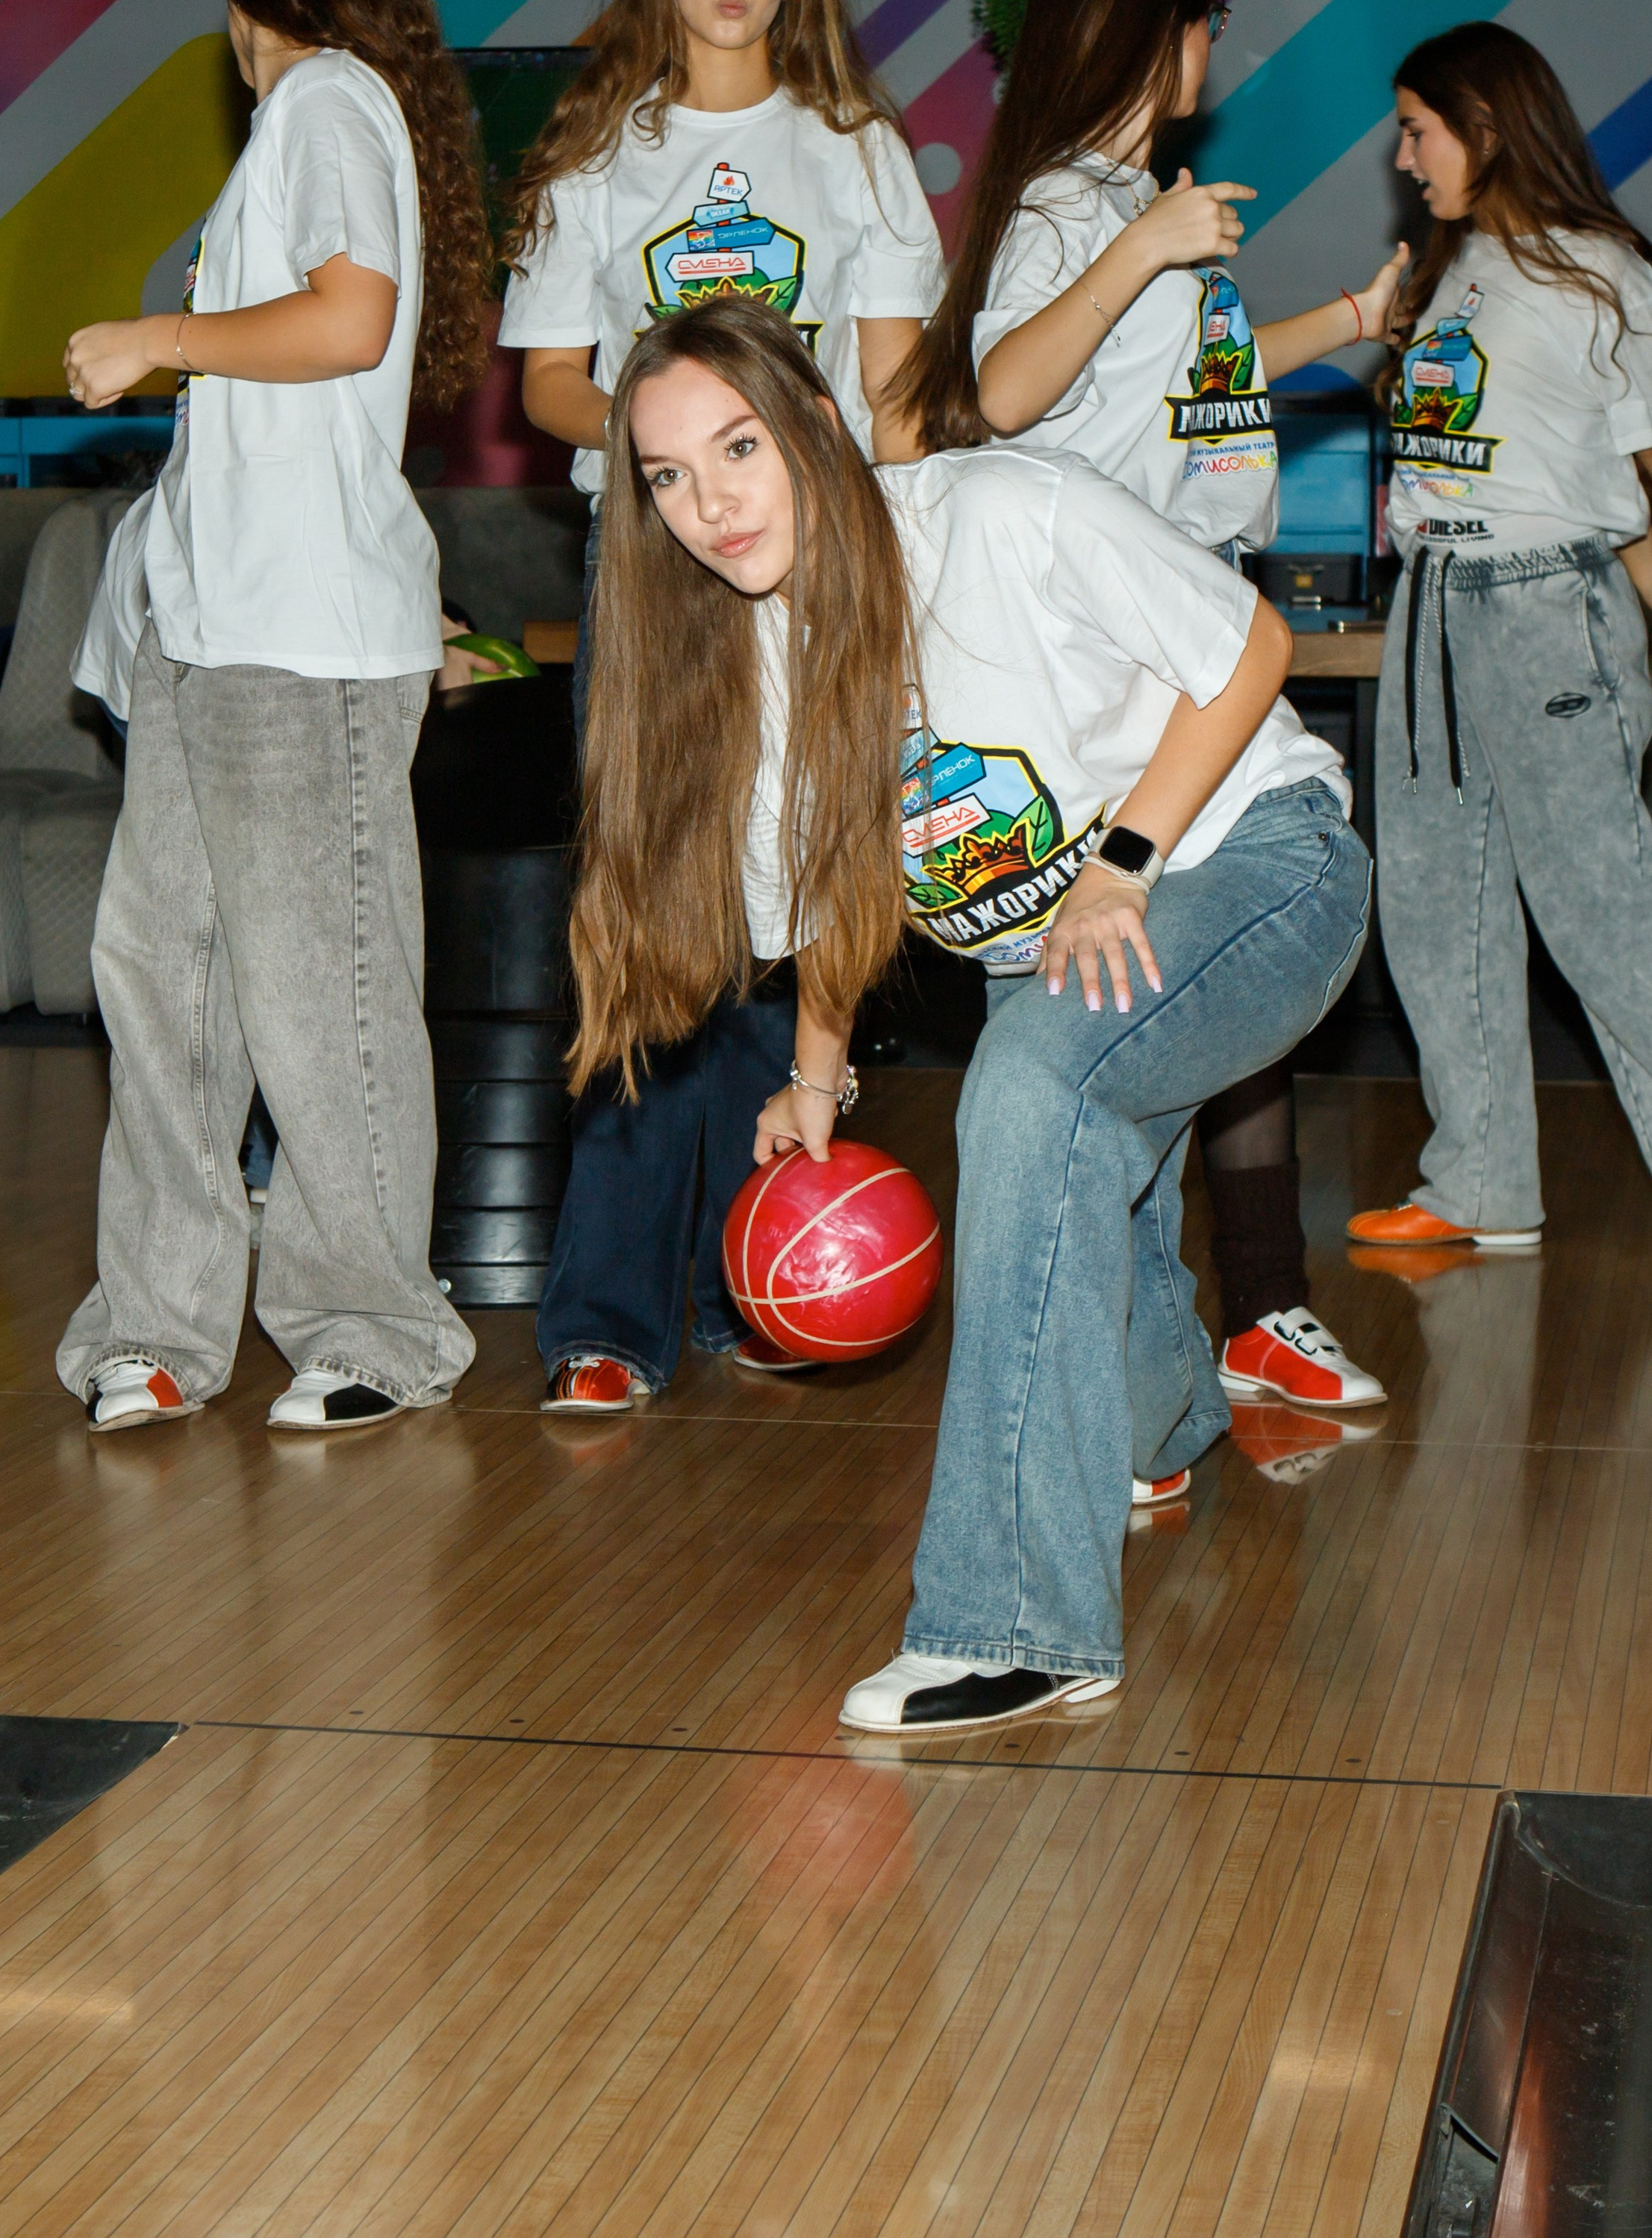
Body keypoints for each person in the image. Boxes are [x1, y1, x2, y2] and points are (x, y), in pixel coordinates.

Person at [578, 293, 1372, 1731]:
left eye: (740, 448)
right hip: (1050, 953)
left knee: (1028, 1093)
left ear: (820, 425)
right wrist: (819, 1079)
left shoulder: (1001, 512)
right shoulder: (759, 652)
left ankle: (1019, 1626)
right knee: (1065, 1168)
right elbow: (830, 890)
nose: (711, 505)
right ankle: (1168, 1419)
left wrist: (1123, 867)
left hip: (1255, 861)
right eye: (670, 479)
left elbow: (1251, 646)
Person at [891, 0, 1406, 1421]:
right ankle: (1158, 1389)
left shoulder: (1125, 213)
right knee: (1074, 1092)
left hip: (1170, 656)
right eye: (1200, 23)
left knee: (1120, 1083)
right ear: (1156, 34)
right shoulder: (1069, 213)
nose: (1212, 50)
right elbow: (991, 388)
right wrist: (1140, 248)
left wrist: (1349, 316)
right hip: (1101, 680)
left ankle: (1184, 1381)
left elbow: (1192, 392)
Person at [498, 0, 944, 1418]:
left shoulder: (858, 151)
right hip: (654, 573)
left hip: (812, 577)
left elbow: (888, 395)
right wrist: (666, 430)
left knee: (792, 918)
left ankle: (756, 1276)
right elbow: (547, 378)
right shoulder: (595, 153)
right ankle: (607, 1319)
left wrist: (901, 563)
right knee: (647, 927)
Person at [53, 0, 487, 1434]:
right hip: (219, 631)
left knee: (321, 992)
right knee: (161, 978)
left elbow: (346, 322)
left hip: (295, 645)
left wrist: (156, 337)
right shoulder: (339, 118)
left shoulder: (323, 103)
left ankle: (371, 1328)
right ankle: (160, 1324)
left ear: (256, 3)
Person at [1345, 20, 1652, 1283]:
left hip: (1545, 612)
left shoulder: (1601, 270)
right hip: (1433, 605)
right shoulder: (1451, 270)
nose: (1402, 151)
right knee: (1434, 912)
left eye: (1418, 127)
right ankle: (1480, 1179)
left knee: (1602, 914)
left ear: (1484, 129)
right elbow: (1537, 446)